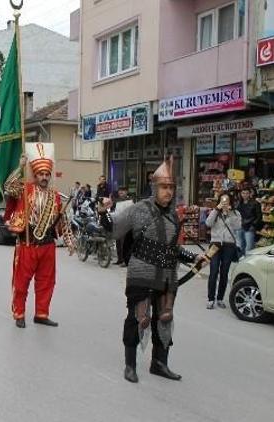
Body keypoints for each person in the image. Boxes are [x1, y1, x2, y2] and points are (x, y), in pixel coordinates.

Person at [98, 156, 206, 384]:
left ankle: (159, 363)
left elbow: (173, 249)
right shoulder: (138, 210)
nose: (168, 191)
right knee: (139, 318)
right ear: (154, 187)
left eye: (171, 187)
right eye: (164, 187)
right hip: (141, 274)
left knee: (165, 319)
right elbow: (113, 229)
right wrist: (103, 212)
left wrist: (194, 256)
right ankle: (130, 365)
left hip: (167, 276)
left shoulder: (174, 216)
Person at [3, 143, 75, 328]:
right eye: (40, 174)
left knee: (46, 282)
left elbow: (63, 221)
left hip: (48, 246)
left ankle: (41, 314)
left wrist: (69, 241)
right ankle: (19, 313)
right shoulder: (25, 190)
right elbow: (8, 186)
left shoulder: (55, 196)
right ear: (35, 175)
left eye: (46, 174)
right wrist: (20, 166)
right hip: (27, 244)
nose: (43, 177)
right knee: (21, 283)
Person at [205, 194, 241, 309]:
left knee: (224, 273)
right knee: (214, 271)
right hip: (215, 244)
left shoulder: (235, 213)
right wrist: (217, 209)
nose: (224, 202)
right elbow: (208, 223)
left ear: (230, 201)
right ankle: (211, 299)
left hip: (229, 245)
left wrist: (229, 213)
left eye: (226, 200)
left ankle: (220, 298)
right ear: (219, 201)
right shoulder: (215, 212)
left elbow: (238, 226)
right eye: (222, 200)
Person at [112, 186, 134, 267]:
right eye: (120, 191)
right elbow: (114, 210)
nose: (121, 192)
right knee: (118, 243)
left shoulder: (130, 200)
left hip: (126, 224)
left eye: (123, 191)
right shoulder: (116, 200)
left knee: (125, 243)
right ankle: (119, 259)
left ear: (127, 192)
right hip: (118, 223)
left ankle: (126, 261)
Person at [236, 188, 262, 255]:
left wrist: (253, 225)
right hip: (240, 226)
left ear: (250, 194)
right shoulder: (239, 203)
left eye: (247, 193)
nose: (245, 195)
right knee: (241, 245)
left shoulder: (255, 203)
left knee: (249, 247)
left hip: (250, 227)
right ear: (241, 194)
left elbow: (259, 216)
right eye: (243, 193)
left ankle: (249, 261)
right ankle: (241, 261)